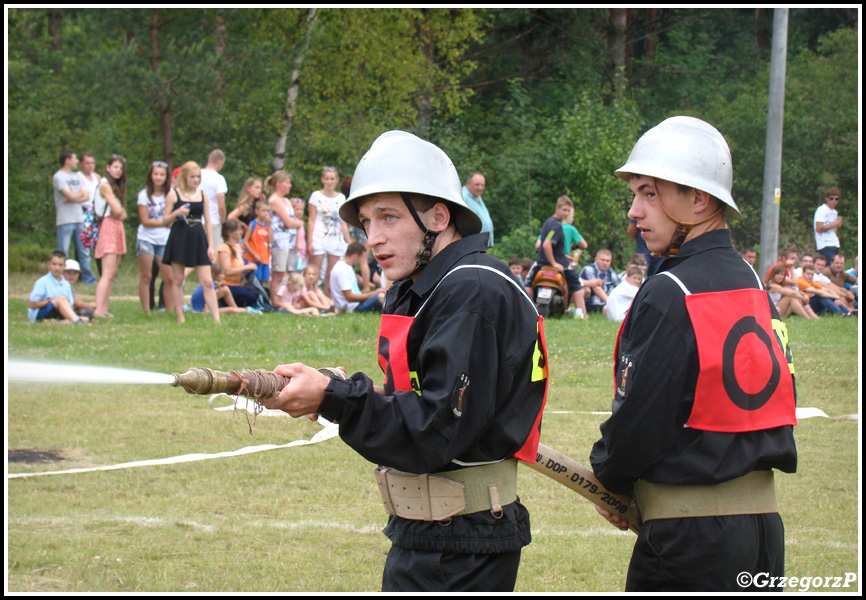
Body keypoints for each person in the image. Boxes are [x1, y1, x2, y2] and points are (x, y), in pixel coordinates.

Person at [263, 131, 548, 592]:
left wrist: (336, 398)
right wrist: (336, 386)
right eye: (367, 222)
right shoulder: (427, 286)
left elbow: (434, 431)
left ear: (439, 216)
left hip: (460, 546)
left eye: (389, 217)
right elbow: (420, 397)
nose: (373, 238)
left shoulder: (469, 290)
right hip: (435, 536)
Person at [590, 116, 797, 592]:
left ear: (698, 199)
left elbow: (640, 419)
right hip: (763, 534)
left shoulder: (670, 290)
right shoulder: (753, 284)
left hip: (690, 543)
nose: (634, 212)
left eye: (649, 193)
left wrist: (612, 476)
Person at [163, 161, 221, 324]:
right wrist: (177, 212)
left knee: (207, 281)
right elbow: (165, 220)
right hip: (180, 235)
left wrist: (210, 245)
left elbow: (208, 221)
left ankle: (216, 319)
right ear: (184, 177)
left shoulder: (202, 195)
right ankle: (180, 316)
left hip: (198, 236)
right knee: (178, 279)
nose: (195, 180)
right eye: (192, 177)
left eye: (197, 177)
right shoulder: (174, 194)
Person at [525, 195, 588, 316]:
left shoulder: (548, 222)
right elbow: (546, 245)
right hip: (556, 264)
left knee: (528, 283)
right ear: (557, 208)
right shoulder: (557, 225)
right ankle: (581, 314)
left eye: (568, 211)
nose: (566, 213)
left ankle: (526, 311)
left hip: (541, 262)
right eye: (564, 210)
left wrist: (563, 256)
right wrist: (554, 263)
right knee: (577, 285)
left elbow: (546, 244)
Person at [53, 150, 98, 286]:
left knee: (84, 251)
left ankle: (88, 279)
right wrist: (74, 196)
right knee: (63, 252)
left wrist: (73, 196)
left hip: (79, 218)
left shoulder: (76, 176)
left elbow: (86, 196)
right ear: (67, 160)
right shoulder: (58, 177)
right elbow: (73, 196)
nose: (76, 161)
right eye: (74, 159)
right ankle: (59, 279)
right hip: (65, 219)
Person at [93, 154, 129, 319]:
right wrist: (120, 212)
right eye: (115, 167)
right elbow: (116, 210)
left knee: (112, 272)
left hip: (116, 226)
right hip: (108, 225)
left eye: (120, 168)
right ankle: (98, 309)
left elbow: (123, 213)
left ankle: (104, 308)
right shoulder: (105, 185)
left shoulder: (116, 187)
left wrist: (120, 212)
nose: (118, 171)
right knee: (107, 272)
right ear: (107, 168)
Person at [307, 166, 352, 298]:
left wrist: (348, 241)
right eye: (326, 179)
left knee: (330, 273)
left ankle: (328, 300)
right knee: (314, 271)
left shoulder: (341, 198)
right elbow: (311, 220)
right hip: (318, 236)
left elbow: (343, 222)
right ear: (322, 180)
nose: (329, 181)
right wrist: (309, 241)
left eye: (332, 179)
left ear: (336, 180)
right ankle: (312, 297)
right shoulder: (316, 196)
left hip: (335, 238)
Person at [136, 161, 173, 315]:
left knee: (169, 277)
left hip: (164, 239)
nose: (158, 177)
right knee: (147, 275)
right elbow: (145, 220)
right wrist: (164, 222)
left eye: (162, 174)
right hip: (146, 238)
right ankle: (146, 311)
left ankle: (170, 310)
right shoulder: (144, 195)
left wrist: (168, 222)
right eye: (155, 174)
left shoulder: (171, 194)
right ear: (150, 176)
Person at [267, 171, 304, 309]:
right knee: (278, 274)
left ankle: (289, 300)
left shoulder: (287, 201)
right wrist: (299, 224)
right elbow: (289, 222)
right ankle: (275, 303)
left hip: (291, 241)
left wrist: (298, 237)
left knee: (290, 273)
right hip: (280, 242)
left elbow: (294, 222)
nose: (290, 185)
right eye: (287, 182)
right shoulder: (275, 201)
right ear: (278, 184)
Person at [28, 251, 88, 325]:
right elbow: (32, 304)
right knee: (61, 299)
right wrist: (51, 301)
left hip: (59, 312)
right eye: (54, 264)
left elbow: (71, 304)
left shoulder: (66, 284)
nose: (57, 268)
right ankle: (76, 321)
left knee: (86, 318)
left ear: (64, 266)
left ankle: (58, 322)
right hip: (43, 312)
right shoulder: (42, 282)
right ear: (48, 264)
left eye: (60, 265)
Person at [329, 241, 385, 313]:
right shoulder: (342, 270)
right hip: (352, 308)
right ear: (356, 256)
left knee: (384, 296)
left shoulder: (346, 267)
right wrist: (374, 293)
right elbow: (350, 297)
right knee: (381, 297)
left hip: (356, 304)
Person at [217, 219, 262, 309]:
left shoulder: (238, 248)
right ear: (230, 233)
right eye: (238, 230)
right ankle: (225, 303)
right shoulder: (224, 248)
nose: (241, 232)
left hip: (237, 284)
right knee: (252, 295)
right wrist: (247, 267)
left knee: (258, 293)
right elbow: (227, 271)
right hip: (226, 285)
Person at [191, 262, 261, 316]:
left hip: (198, 307)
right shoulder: (210, 285)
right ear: (214, 274)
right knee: (230, 309)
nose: (224, 276)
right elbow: (208, 300)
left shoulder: (210, 283)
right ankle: (247, 310)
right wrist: (206, 312)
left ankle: (236, 309)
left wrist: (219, 285)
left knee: (225, 289)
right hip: (201, 310)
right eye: (222, 274)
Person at [76, 151, 101, 283]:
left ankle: (101, 273)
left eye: (92, 163)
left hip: (96, 213)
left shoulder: (96, 177)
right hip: (84, 212)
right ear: (81, 164)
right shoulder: (78, 177)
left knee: (98, 244)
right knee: (84, 244)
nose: (90, 166)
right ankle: (85, 276)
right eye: (87, 163)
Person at [200, 149, 229, 246]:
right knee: (215, 252)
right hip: (213, 221)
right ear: (220, 161)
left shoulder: (198, 175)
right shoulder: (219, 178)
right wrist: (223, 221)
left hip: (197, 219)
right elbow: (221, 205)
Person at [579, 249, 621, 314]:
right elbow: (596, 288)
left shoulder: (610, 271)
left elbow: (618, 287)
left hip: (605, 302)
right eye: (603, 260)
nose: (605, 263)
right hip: (592, 303)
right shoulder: (589, 269)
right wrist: (612, 305)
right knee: (596, 287)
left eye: (607, 261)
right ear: (596, 259)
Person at [243, 198, 273, 288]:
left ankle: (259, 299)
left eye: (268, 211)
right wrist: (254, 255)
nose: (266, 213)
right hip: (254, 258)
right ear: (257, 211)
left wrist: (270, 225)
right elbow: (245, 241)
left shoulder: (267, 225)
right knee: (252, 280)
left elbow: (270, 240)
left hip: (264, 258)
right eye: (263, 210)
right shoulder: (253, 224)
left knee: (262, 282)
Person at [462, 172, 494, 247]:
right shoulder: (462, 196)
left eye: (482, 185)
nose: (480, 188)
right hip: (471, 244)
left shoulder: (477, 196)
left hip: (481, 243)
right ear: (468, 183)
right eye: (477, 185)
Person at [814, 187, 842, 263]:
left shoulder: (834, 212)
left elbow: (834, 231)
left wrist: (836, 225)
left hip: (834, 243)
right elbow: (818, 228)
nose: (834, 201)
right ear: (826, 198)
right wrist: (834, 224)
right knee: (828, 269)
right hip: (825, 244)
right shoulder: (822, 210)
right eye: (831, 198)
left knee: (836, 267)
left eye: (836, 199)